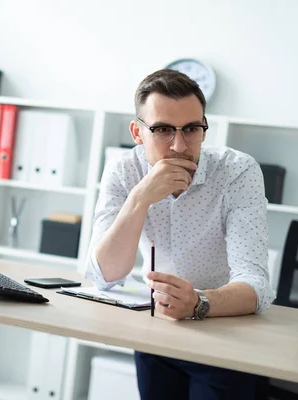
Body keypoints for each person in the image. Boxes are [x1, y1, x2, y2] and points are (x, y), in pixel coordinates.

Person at [85, 68, 276, 400]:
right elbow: (105, 276)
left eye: (191, 129)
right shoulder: (124, 170)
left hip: (225, 338)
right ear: (137, 132)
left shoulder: (238, 171)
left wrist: (198, 302)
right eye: (161, 130)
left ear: (204, 128)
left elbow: (257, 285)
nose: (179, 145)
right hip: (156, 333)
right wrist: (141, 197)